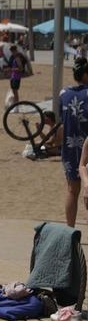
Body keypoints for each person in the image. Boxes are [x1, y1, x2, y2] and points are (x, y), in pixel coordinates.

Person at [62, 58, 88, 227]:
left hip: (70, 146)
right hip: (87, 147)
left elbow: (61, 119)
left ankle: (70, 231)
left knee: (72, 190)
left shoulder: (64, 93)